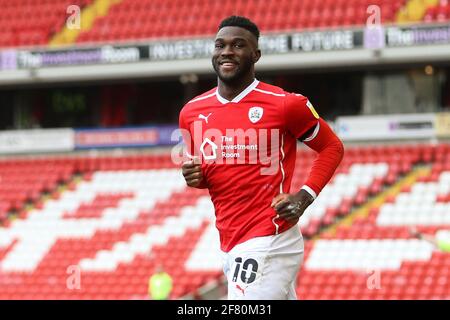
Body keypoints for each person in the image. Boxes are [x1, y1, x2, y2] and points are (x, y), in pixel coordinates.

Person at [179, 16, 344, 300]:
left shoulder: (286, 104)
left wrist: (303, 197)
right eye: (220, 45)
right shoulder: (191, 112)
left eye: (238, 45)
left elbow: (332, 147)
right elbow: (211, 172)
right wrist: (196, 178)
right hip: (231, 241)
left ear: (256, 54)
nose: (227, 51)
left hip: (270, 235)